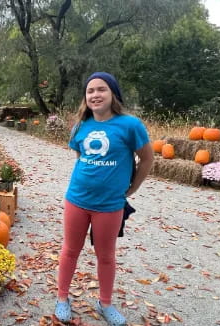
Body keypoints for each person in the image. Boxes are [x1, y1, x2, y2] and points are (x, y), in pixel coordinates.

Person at [54, 72, 154, 325]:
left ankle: (105, 303)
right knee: (70, 250)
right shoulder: (80, 126)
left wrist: (132, 189)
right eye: (90, 91)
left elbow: (147, 159)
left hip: (109, 206)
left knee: (106, 256)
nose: (95, 95)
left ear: (113, 94)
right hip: (76, 199)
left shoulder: (130, 126)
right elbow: (81, 159)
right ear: (85, 97)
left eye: (101, 89)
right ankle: (62, 297)